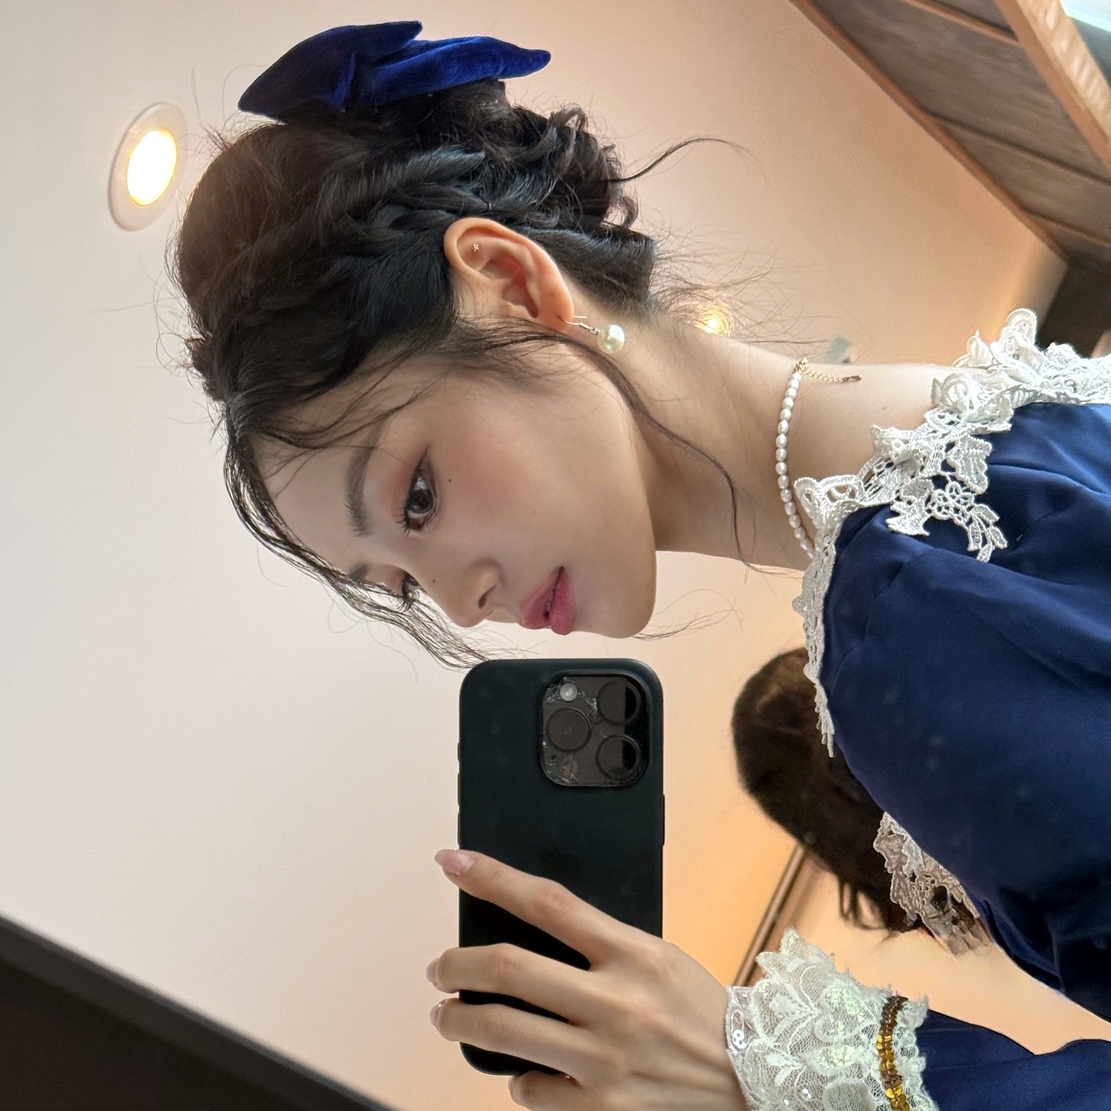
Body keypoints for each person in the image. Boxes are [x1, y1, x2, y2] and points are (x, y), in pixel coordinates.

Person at [173, 21, 1111, 1111]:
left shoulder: (901, 624)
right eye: (404, 583)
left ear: (511, 283)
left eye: (416, 497)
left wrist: (770, 1076)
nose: (463, 601)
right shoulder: (1008, 416)